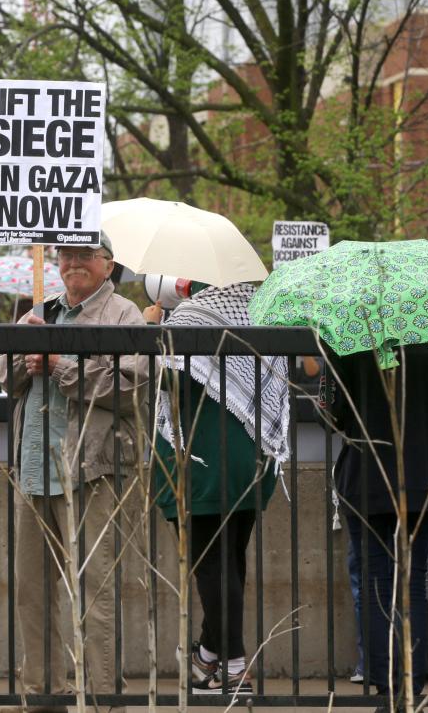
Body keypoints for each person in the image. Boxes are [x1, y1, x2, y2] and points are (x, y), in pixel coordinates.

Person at [0, 233, 149, 713]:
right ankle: (42, 692)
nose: (74, 263)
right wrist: (25, 352)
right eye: (67, 255)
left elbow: (133, 388)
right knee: (32, 591)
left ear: (108, 264)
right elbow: (2, 377)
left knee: (96, 589)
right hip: (34, 469)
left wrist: (60, 365)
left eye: (85, 255)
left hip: (92, 471)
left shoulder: (124, 315)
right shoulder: (41, 310)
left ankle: (101, 695)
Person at [151, 282, 288, 694]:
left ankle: (233, 666)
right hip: (252, 457)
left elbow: (167, 386)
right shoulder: (263, 315)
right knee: (230, 563)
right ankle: (209, 655)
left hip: (200, 460)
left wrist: (152, 334)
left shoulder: (189, 319)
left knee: (211, 566)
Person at [327, 346, 428, 703]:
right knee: (413, 583)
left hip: (364, 473)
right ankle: (411, 691)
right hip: (419, 473)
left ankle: (385, 689)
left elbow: (332, 412)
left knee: (374, 584)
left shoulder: (345, 329)